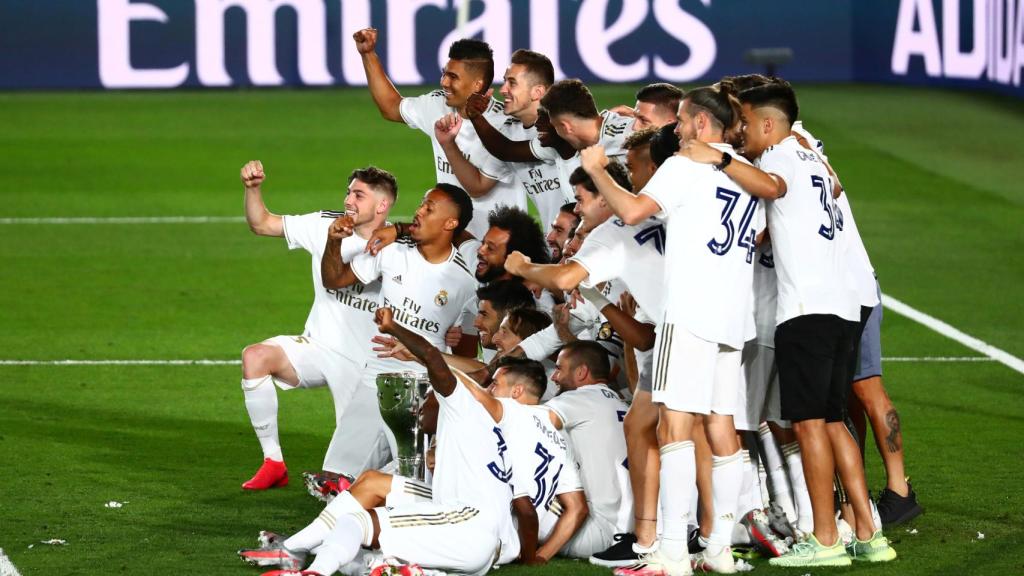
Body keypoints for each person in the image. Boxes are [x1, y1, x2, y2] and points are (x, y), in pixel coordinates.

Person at [689, 79, 896, 567]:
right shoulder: (812, 155)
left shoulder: (780, 155)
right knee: (832, 421)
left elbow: (773, 188)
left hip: (806, 310)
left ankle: (825, 540)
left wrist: (719, 159)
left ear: (767, 124)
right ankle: (867, 533)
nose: (741, 133)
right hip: (843, 306)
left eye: (746, 125)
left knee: (807, 426)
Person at [584, 84, 764, 574]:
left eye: (681, 121)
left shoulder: (685, 166)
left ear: (702, 124)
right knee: (722, 427)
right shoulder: (749, 174)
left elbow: (632, 211)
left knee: (674, 428)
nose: (677, 130)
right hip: (733, 316)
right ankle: (720, 548)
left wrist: (598, 168)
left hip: (688, 313)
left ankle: (670, 552)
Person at [239, 310, 543, 575]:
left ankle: (320, 566)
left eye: (495, 384)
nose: (488, 387)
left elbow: (440, 363)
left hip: (469, 523)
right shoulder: (519, 421)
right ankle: (299, 550)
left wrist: (395, 328)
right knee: (371, 485)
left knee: (355, 526)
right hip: (470, 512)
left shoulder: (470, 406)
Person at [235, 162, 397, 491]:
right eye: (349, 192)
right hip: (319, 346)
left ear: (382, 206)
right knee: (255, 357)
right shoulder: (324, 223)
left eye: (359, 195)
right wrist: (253, 188)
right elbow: (263, 224)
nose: (349, 200)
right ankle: (273, 462)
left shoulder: (397, 248)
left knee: (354, 468)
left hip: (365, 363)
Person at [320, 184, 480, 476]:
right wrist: (333, 242)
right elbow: (334, 280)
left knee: (418, 480)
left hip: (424, 389)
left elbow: (467, 353)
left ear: (450, 223)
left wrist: (443, 398)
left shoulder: (467, 280)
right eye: (421, 203)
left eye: (429, 208)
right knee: (334, 477)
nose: (419, 210)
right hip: (374, 379)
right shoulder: (391, 250)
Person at [353, 28, 523, 239]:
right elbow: (391, 107)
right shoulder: (437, 105)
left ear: (477, 84)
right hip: (452, 240)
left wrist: (447, 143)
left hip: (499, 244)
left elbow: (478, 188)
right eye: (444, 73)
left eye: (453, 77)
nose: (443, 82)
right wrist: (368, 54)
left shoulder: (504, 125)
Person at [435, 49, 573, 234]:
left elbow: (506, 150)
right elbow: (477, 186)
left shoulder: (564, 128)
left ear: (537, 91)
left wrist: (475, 116)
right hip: (557, 241)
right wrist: (448, 143)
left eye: (512, 83)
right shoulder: (509, 132)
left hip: (587, 237)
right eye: (505, 81)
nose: (503, 89)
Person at [546, 340, 632, 559]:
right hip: (628, 532)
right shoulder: (624, 403)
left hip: (592, 531)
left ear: (582, 372)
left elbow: (529, 426)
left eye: (558, 368)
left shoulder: (579, 398)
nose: (554, 376)